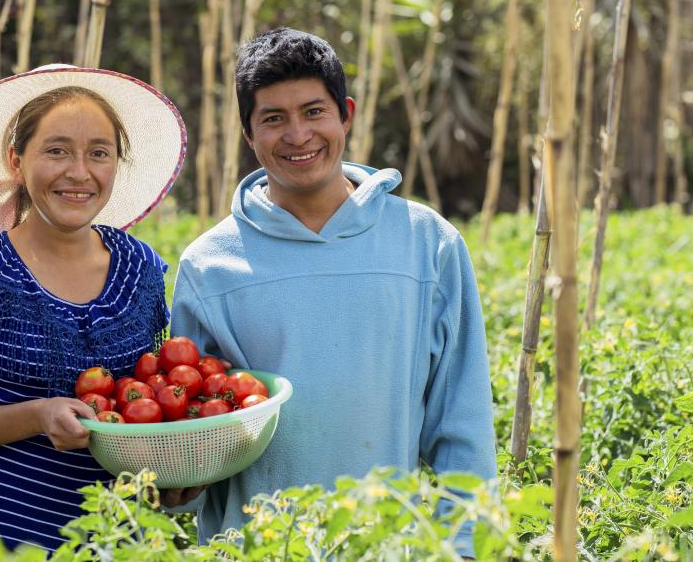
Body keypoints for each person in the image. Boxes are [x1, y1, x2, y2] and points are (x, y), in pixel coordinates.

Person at [169, 28, 496, 558]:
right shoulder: (210, 264)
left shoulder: (425, 243)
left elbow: (462, 420)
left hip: (388, 547)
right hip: (253, 548)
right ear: (248, 134)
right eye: (273, 118)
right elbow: (193, 424)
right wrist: (177, 483)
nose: (298, 135)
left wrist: (464, 543)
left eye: (313, 112)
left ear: (346, 113)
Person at [0, 64, 186, 559]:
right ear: (16, 161)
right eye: (57, 150)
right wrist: (39, 415)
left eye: (99, 153)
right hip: (2, 535)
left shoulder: (141, 269)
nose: (79, 172)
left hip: (115, 536)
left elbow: (148, 401)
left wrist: (172, 475)